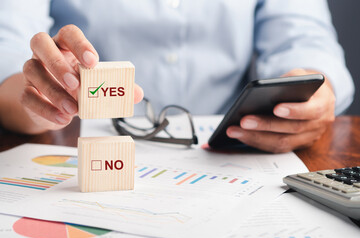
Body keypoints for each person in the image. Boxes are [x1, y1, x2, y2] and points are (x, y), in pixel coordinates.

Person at [0, 0, 354, 153]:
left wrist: (310, 87)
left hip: (228, 148)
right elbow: (9, 47)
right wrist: (40, 98)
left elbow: (304, 37)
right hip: (75, 139)